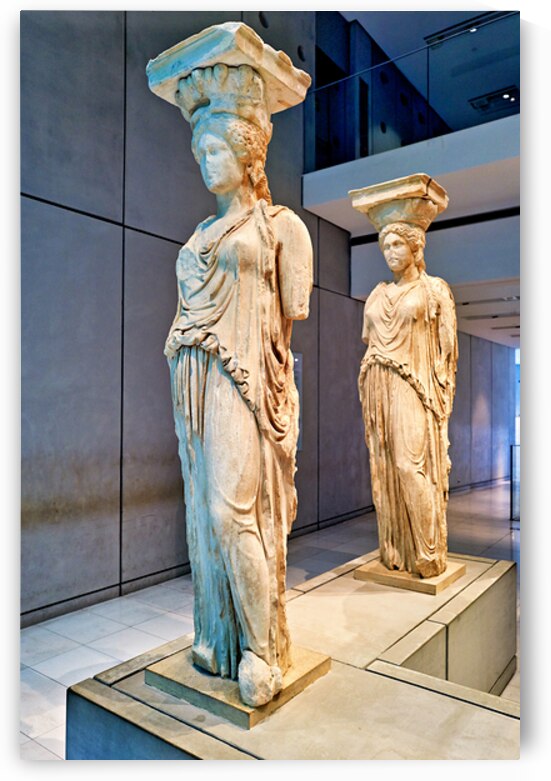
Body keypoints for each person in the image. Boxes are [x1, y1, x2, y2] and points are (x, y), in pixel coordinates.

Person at [164, 63, 313, 706]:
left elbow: (289, 319)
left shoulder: (281, 229)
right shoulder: (197, 235)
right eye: (199, 149)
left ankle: (258, 646)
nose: (205, 159)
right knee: (203, 513)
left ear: (248, 151)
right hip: (191, 381)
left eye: (216, 146)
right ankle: (217, 634)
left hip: (242, 382)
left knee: (233, 511)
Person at [358, 221, 457, 578]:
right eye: (386, 246)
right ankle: (396, 548)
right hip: (377, 382)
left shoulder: (433, 291)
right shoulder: (378, 293)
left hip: (414, 385)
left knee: (408, 465)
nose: (391, 252)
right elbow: (368, 339)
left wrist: (441, 397)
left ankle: (429, 550)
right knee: (384, 466)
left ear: (416, 248)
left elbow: (447, 353)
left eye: (398, 244)